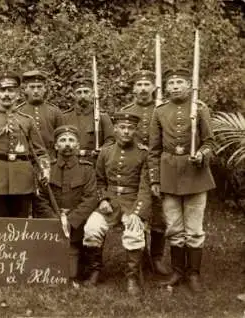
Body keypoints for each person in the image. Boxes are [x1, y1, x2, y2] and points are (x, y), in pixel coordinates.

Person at [148, 68, 215, 293]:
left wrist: (202, 155)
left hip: (196, 176)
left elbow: (210, 143)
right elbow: (154, 150)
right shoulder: (160, 111)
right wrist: (155, 180)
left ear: (189, 85)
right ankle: (177, 271)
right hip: (169, 176)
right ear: (166, 87)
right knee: (175, 227)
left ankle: (193, 273)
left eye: (180, 82)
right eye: (172, 83)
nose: (175, 86)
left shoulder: (200, 108)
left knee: (194, 229)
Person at [82, 112, 151, 296]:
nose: (126, 132)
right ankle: (95, 271)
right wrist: (103, 199)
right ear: (115, 129)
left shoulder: (144, 153)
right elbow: (99, 180)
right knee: (91, 228)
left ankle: (132, 278)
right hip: (110, 202)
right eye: (122, 128)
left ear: (135, 130)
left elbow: (146, 188)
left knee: (134, 232)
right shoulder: (105, 152)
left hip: (132, 201)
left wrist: (138, 212)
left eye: (130, 128)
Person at [0, 71, 50, 217]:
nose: (6, 94)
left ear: (18, 94)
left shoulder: (27, 121)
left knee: (21, 228)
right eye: (2, 90)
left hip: (23, 182)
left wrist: (44, 171)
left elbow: (40, 152)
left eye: (11, 90)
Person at [120, 70, 170, 275]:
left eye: (146, 85)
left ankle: (156, 257)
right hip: (134, 168)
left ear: (154, 88)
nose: (142, 89)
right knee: (138, 210)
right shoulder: (127, 111)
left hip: (159, 166)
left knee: (159, 212)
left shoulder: (163, 110)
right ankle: (138, 254)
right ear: (133, 89)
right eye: (139, 85)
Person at [34, 125, 97, 281]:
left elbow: (90, 199)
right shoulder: (47, 169)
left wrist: (70, 220)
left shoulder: (87, 170)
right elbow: (40, 198)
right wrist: (54, 219)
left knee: (72, 273)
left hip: (77, 224)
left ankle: (86, 264)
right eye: (62, 140)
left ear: (77, 145)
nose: (67, 144)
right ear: (56, 146)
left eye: (71, 140)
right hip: (52, 221)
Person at [62, 76, 114, 163]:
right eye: (79, 92)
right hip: (71, 161)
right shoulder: (65, 117)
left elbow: (111, 140)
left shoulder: (102, 116)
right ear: (74, 95)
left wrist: (101, 151)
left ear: (92, 94)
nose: (83, 96)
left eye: (86, 92)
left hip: (94, 162)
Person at [16, 70, 63, 153]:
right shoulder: (18, 111)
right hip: (27, 157)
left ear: (45, 89)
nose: (36, 91)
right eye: (32, 87)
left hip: (50, 157)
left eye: (39, 87)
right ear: (25, 89)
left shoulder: (55, 111)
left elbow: (61, 137)